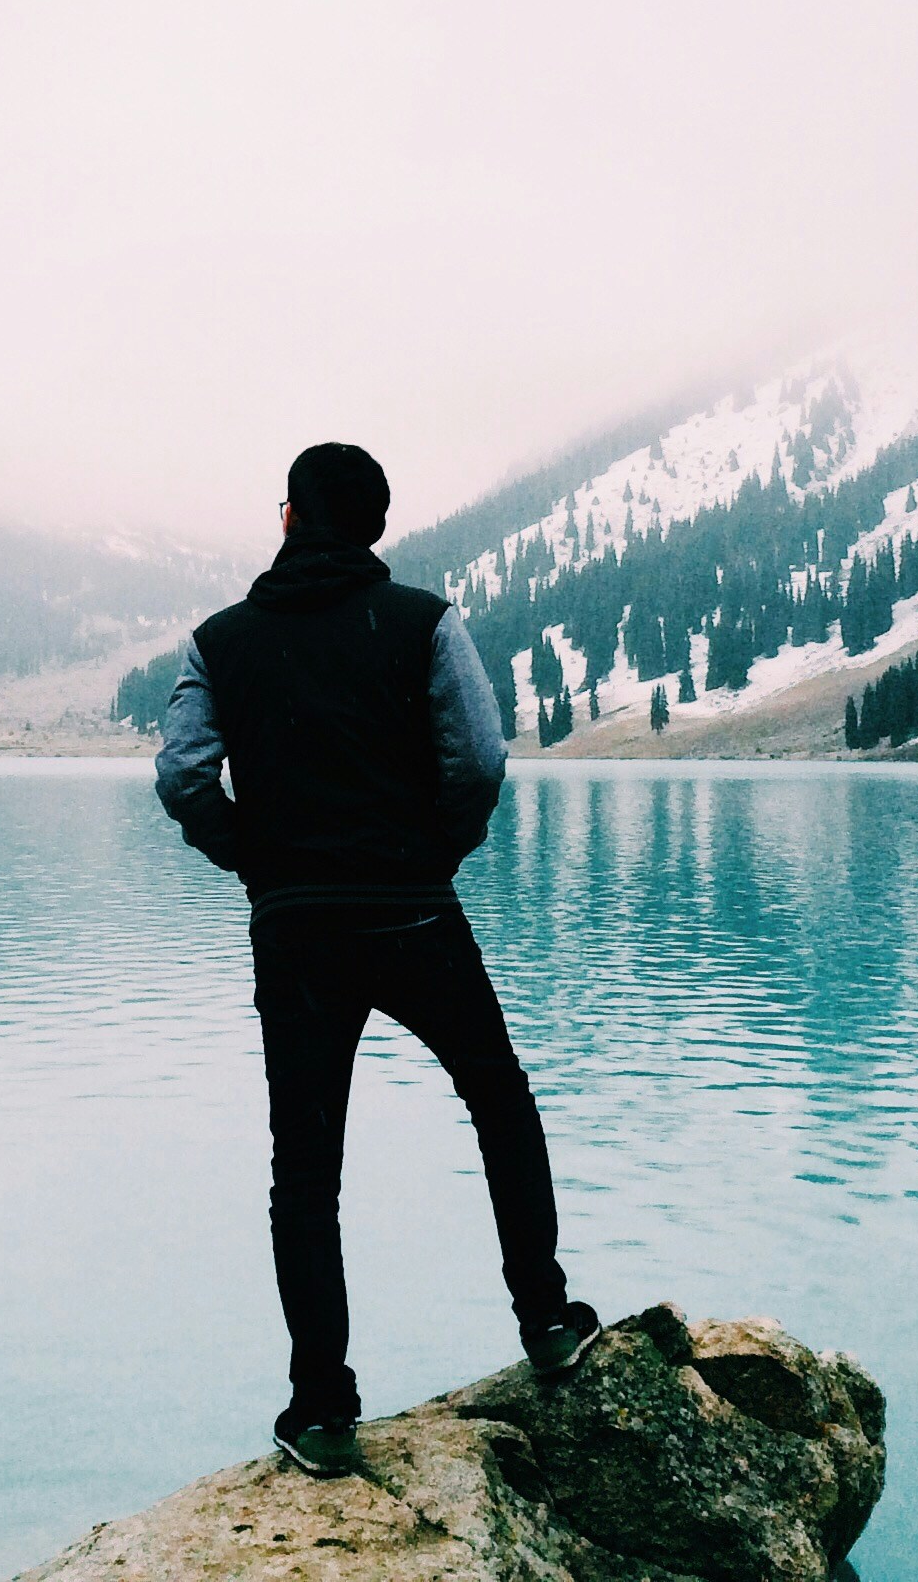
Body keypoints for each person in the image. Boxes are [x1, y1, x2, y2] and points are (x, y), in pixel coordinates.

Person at [153, 441, 598, 1478]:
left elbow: (181, 777)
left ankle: (321, 1410)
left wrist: (255, 859)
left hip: (298, 928)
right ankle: (545, 1318)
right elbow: (480, 759)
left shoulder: (220, 641)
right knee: (498, 1096)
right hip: (413, 914)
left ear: (290, 520)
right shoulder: (425, 623)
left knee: (305, 1171)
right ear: (378, 529)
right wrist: (432, 851)